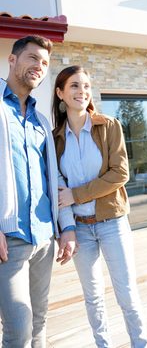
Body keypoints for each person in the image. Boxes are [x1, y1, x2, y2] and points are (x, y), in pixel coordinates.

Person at [52, 65, 147, 348]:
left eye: (85, 86)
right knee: (93, 297)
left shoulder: (108, 126)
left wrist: (77, 194)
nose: (81, 91)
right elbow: (59, 189)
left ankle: (140, 344)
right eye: (74, 86)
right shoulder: (55, 139)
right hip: (80, 230)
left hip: (112, 224)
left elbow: (120, 174)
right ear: (60, 93)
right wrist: (67, 224)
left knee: (126, 293)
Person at [0, 35, 77, 348]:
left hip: (45, 238)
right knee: (17, 329)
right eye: (32, 58)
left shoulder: (42, 121)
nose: (39, 66)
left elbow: (54, 177)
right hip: (10, 240)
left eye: (44, 63)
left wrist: (67, 227)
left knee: (39, 323)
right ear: (13, 60)